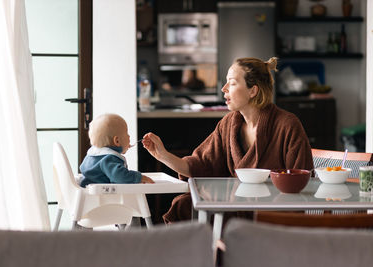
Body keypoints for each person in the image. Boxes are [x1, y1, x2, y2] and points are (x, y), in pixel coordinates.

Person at [142, 57, 313, 223]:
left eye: (232, 83)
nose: (224, 88)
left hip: (274, 213)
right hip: (236, 209)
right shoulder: (229, 123)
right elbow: (200, 165)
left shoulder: (287, 125)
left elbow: (301, 183)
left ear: (253, 90)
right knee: (184, 204)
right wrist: (162, 155)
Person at [79, 113, 154, 187]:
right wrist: (139, 177)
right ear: (117, 141)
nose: (129, 136)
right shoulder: (109, 159)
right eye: (127, 133)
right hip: (101, 196)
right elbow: (120, 177)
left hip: (88, 192)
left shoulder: (93, 155)